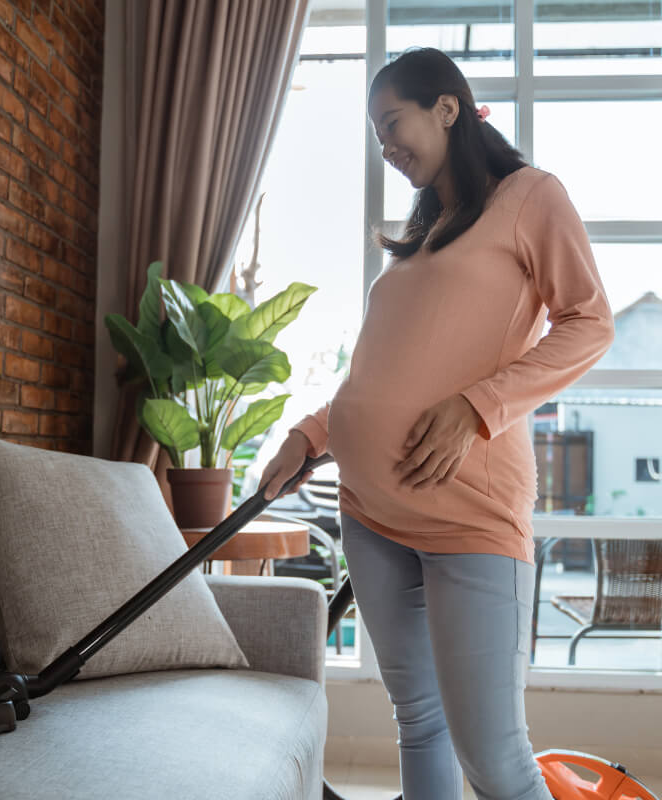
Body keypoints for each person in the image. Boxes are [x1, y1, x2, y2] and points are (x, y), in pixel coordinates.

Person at [259, 47, 615, 800]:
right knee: (419, 723)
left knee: (495, 760)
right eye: (376, 134)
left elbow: (589, 323)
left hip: (469, 517)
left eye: (393, 124)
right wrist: (311, 433)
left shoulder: (530, 196)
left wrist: (478, 406)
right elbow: (379, 371)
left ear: (446, 108)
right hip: (370, 514)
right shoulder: (425, 234)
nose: (386, 147)